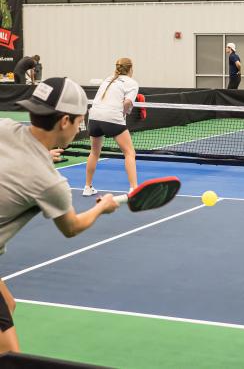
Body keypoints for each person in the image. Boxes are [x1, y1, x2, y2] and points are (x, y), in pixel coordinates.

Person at [0, 77, 119, 353]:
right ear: (64, 121)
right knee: (10, 356)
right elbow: (72, 227)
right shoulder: (49, 182)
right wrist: (103, 206)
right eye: (80, 122)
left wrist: (40, 152)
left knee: (9, 304)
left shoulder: (4, 127)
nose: (80, 129)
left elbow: (18, 156)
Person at [83, 58, 139, 196]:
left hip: (94, 116)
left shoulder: (108, 79)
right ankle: (133, 189)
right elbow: (127, 103)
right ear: (131, 69)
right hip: (112, 117)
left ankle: (87, 187)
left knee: (94, 153)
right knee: (129, 153)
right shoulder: (132, 83)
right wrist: (124, 113)